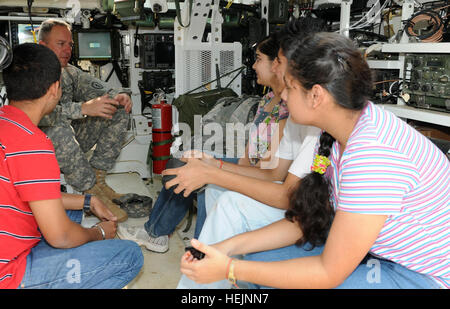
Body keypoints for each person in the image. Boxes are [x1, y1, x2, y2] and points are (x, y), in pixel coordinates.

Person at [178, 32, 450, 289]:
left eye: (291, 87)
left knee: (264, 274)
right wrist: (226, 248)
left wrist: (230, 269)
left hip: (422, 275)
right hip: (382, 256)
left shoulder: (371, 154)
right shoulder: (337, 133)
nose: (283, 95)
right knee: (254, 261)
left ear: (316, 95)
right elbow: (304, 220)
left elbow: (327, 272)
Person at [117, 33, 290, 253]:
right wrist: (227, 166)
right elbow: (248, 155)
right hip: (252, 166)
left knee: (201, 179)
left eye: (258, 59)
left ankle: (196, 245)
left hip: (264, 174)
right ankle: (157, 232)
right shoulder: (267, 100)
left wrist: (219, 170)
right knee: (184, 161)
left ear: (277, 64)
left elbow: (269, 171)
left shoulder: (287, 109)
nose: (254, 65)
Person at [0, 43, 143, 289]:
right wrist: (98, 233)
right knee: (129, 256)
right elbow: (61, 237)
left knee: (74, 213)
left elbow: (22, 193)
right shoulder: (33, 144)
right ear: (55, 88)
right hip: (9, 273)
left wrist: (87, 201)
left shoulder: (7, 122)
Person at [38, 19, 132, 222]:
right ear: (42, 46)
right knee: (58, 129)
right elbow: (37, 115)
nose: (67, 50)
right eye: (60, 44)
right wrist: (82, 108)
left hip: (68, 141)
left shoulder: (68, 72)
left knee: (117, 110)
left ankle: (99, 180)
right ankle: (91, 194)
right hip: (41, 146)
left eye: (70, 45)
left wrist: (117, 95)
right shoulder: (30, 74)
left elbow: (95, 86)